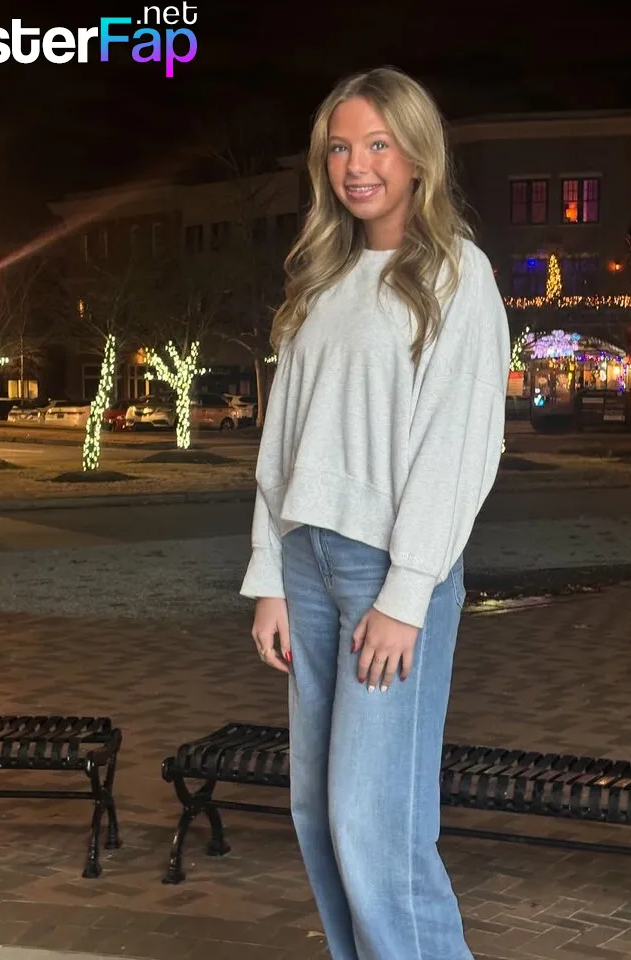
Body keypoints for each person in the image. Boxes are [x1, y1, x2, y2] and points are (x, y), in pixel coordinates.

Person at [240, 66, 510, 960]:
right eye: (339, 148)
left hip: (387, 574)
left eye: (377, 144)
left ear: (418, 155)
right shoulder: (321, 281)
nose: (356, 165)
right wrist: (270, 577)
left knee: (375, 825)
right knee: (317, 813)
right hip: (307, 564)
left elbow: (459, 448)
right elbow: (283, 444)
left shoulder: (458, 275)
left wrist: (407, 592)